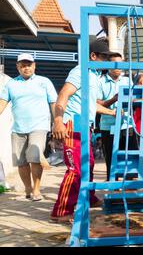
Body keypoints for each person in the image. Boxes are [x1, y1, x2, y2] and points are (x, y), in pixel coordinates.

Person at [50, 39, 117, 223]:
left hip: (85, 127)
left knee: (89, 164)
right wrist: (57, 121)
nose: (108, 61)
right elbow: (63, 94)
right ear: (93, 56)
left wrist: (112, 111)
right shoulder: (80, 71)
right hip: (73, 125)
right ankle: (61, 211)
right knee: (75, 170)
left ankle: (89, 197)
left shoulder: (94, 76)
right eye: (104, 57)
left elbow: (91, 104)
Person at [0, 53, 57, 201]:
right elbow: (2, 102)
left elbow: (53, 103)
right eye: (23, 65)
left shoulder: (44, 82)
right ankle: (28, 188)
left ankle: (36, 190)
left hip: (39, 126)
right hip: (18, 128)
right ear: (18, 67)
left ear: (34, 65)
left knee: (35, 157)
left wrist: (57, 121)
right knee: (21, 162)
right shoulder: (11, 84)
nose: (26, 68)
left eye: (29, 64)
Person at [97, 53, 138, 181]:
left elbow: (134, 98)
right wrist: (115, 99)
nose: (119, 67)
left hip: (127, 124)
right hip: (108, 125)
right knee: (110, 155)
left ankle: (130, 183)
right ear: (109, 65)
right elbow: (97, 104)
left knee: (129, 155)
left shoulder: (127, 80)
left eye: (121, 64)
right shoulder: (100, 82)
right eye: (116, 64)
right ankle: (112, 184)